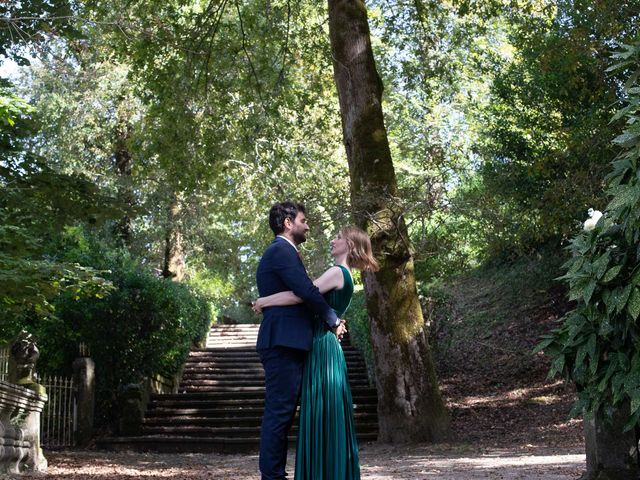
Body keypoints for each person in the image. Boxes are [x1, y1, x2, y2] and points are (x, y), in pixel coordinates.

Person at [253, 225, 379, 480]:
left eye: (338, 237)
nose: (333, 241)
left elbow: (301, 295)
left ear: (350, 245)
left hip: (321, 345)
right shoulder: (347, 275)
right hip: (326, 346)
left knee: (321, 411)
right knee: (323, 411)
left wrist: (264, 301)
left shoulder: (336, 272)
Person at [255, 202, 344, 480]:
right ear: (288, 223)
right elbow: (305, 290)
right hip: (282, 342)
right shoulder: (281, 251)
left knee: (282, 412)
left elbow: (300, 292)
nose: (307, 225)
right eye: (303, 220)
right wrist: (333, 319)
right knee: (279, 412)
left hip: (288, 341)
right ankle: (272, 476)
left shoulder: (285, 252)